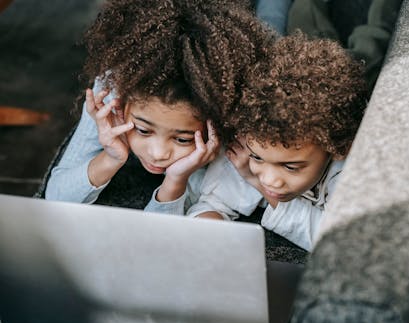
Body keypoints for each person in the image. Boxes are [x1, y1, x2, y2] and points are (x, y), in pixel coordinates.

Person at [45, 0, 274, 215]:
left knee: (272, 25)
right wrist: (110, 158)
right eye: (143, 130)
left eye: (183, 139)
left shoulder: (233, 108)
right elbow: (55, 199)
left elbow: (168, 232)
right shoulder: (112, 93)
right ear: (122, 105)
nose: (158, 154)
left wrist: (176, 179)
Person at [188, 33, 368, 251]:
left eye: (291, 167)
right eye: (257, 158)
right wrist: (209, 225)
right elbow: (210, 204)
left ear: (336, 148)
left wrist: (255, 182)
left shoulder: (349, 174)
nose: (270, 180)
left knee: (368, 48)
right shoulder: (250, 146)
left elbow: (341, 242)